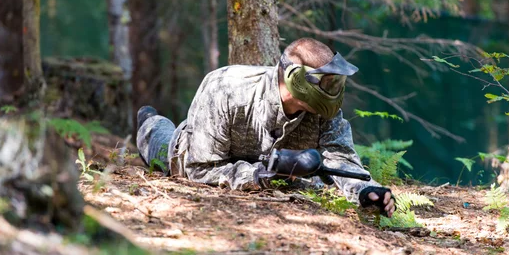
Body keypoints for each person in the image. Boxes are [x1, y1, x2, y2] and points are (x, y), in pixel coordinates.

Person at [137, 38, 395, 217]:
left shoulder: (321, 109)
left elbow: (340, 159)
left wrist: (365, 191)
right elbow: (198, 168)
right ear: (297, 79)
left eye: (336, 83)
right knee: (160, 146)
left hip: (243, 159)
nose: (334, 91)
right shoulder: (226, 89)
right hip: (195, 145)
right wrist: (263, 174)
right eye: (327, 83)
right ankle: (150, 120)